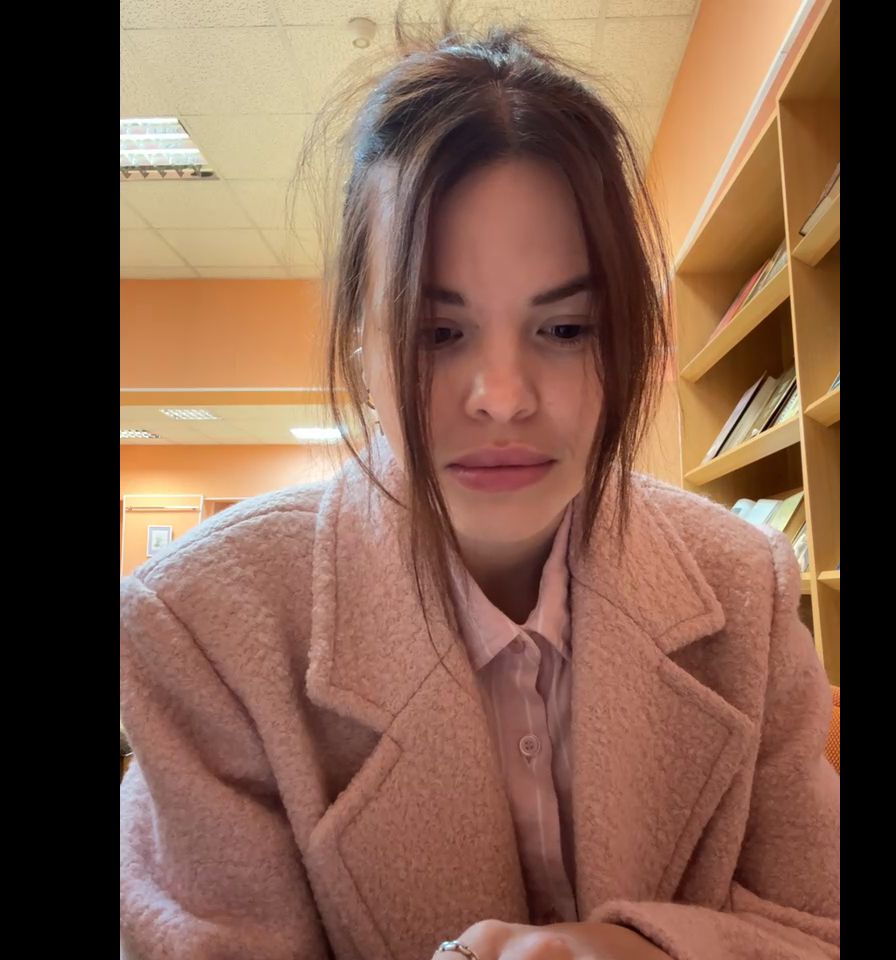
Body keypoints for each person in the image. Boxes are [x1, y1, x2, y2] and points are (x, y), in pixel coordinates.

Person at [120, 9, 839, 960]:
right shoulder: (201, 627)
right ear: (361, 346)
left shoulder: (745, 588)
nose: (502, 396)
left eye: (565, 329)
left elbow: (816, 922)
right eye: (437, 332)